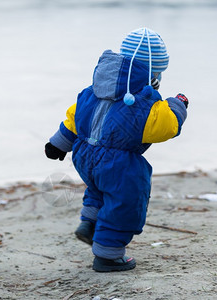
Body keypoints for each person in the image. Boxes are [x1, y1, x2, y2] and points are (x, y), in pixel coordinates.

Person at [45, 27, 189, 272]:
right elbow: (164, 126)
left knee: (99, 188)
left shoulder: (94, 90)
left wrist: (59, 142)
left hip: (84, 155)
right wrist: (177, 105)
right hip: (118, 163)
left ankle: (89, 223)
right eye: (158, 73)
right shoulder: (141, 103)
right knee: (125, 201)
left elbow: (75, 115)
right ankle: (108, 255)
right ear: (152, 72)